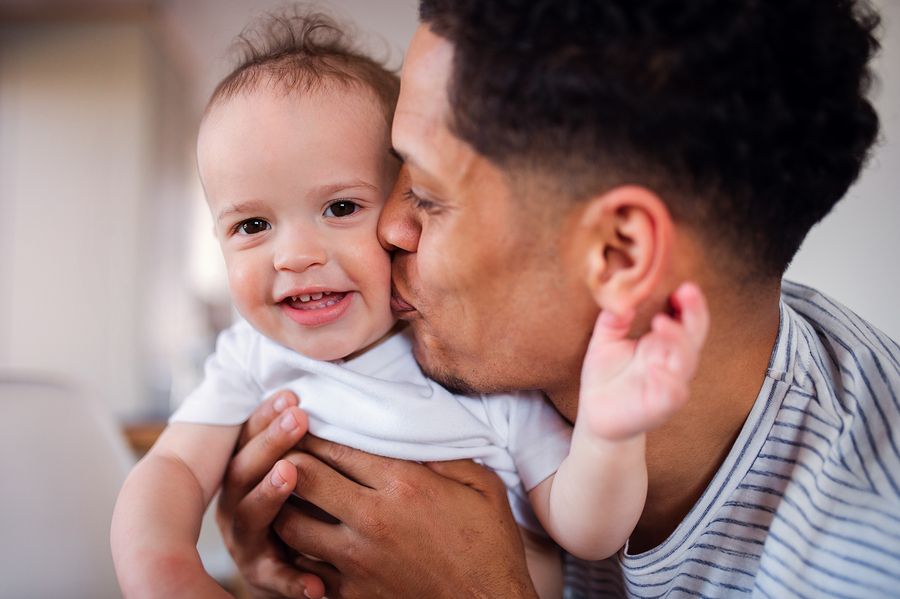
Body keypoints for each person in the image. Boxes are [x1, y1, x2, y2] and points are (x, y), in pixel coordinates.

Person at [215, 1, 900, 598]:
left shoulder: (866, 558)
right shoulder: (445, 364)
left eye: (425, 195)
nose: (387, 229)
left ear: (619, 256)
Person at [110, 9, 709, 599]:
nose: (293, 256)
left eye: (340, 208)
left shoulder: (475, 366)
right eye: (252, 224)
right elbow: (174, 471)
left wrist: (610, 433)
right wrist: (165, 570)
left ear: (405, 200)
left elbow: (591, 532)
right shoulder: (249, 358)